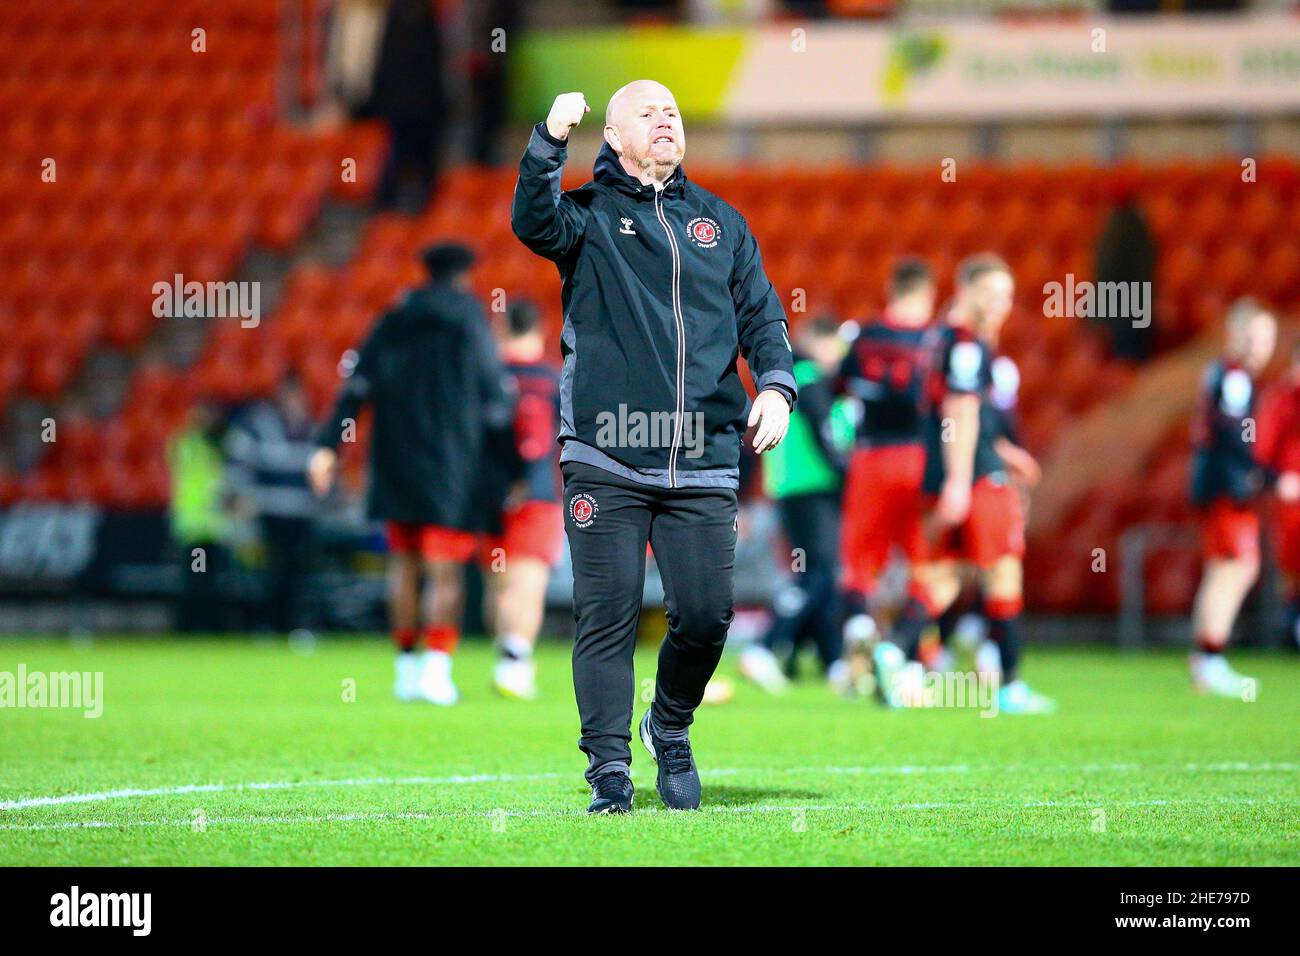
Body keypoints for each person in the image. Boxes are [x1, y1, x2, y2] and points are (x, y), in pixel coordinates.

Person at [511, 82, 796, 813]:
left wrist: (775, 386)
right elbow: (532, 221)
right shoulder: (588, 215)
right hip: (605, 453)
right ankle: (609, 774)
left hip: (703, 452)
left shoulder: (722, 224)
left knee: (706, 617)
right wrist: (548, 140)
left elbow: (763, 315)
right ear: (611, 134)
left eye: (674, 110)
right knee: (605, 615)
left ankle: (668, 725)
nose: (667, 117)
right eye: (648, 111)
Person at [308, 243, 512, 705]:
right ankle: (436, 671)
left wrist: (326, 447)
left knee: (402, 565)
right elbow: (495, 398)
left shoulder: (393, 318)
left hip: (395, 460)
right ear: (463, 274)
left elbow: (356, 385)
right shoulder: (471, 320)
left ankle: (404, 669)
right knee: (445, 572)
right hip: (453, 466)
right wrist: (509, 467)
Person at [875, 254, 1055, 714]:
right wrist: (961, 479)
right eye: (992, 295)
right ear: (967, 290)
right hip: (973, 477)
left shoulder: (939, 337)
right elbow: (960, 409)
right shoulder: (967, 343)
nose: (1001, 306)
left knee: (946, 574)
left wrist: (1001, 451)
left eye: (1008, 297)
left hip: (947, 468)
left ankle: (894, 653)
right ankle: (1010, 684)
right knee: (1004, 569)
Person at [739, 315, 851, 694]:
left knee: (820, 574)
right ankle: (766, 646)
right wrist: (848, 474)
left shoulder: (790, 379)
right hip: (812, 488)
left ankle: (833, 661)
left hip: (791, 487)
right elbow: (827, 438)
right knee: (817, 574)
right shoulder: (810, 378)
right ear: (822, 342)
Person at [833, 258, 935, 660]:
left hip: (870, 456)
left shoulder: (864, 336)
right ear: (926, 294)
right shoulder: (934, 340)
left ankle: (859, 627)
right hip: (918, 457)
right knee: (925, 562)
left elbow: (840, 387)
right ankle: (905, 648)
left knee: (859, 559)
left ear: (892, 289)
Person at [1187, 298, 1277, 696]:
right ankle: (1210, 658)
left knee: (1225, 569)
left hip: (1218, 483)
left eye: (1266, 338)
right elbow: (1235, 436)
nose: (1260, 346)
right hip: (1228, 487)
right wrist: (1264, 476)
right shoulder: (1235, 378)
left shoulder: (1223, 374)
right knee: (1234, 568)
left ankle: (1205, 658)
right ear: (1235, 335)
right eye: (1253, 336)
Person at [483, 301, 565, 700]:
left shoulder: (485, 376)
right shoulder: (555, 380)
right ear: (540, 327)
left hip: (488, 494)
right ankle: (515, 660)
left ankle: (507, 657)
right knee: (528, 581)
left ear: (501, 326)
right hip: (539, 493)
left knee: (498, 583)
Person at [225, 376, 319, 634]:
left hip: (301, 514)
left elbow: (325, 473)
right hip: (267, 512)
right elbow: (237, 464)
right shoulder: (260, 426)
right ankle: (265, 624)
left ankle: (293, 625)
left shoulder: (311, 429)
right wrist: (243, 498)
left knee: (297, 572)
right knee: (269, 571)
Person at [167, 402, 232, 633]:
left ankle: (201, 627)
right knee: (197, 581)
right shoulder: (192, 445)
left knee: (207, 581)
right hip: (195, 528)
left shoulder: (214, 446)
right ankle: (192, 627)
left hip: (211, 529)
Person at [1255, 339, 1300, 649]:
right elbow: (1259, 456)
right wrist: (1280, 481)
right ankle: (1290, 626)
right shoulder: (1279, 400)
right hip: (1291, 503)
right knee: (1293, 568)